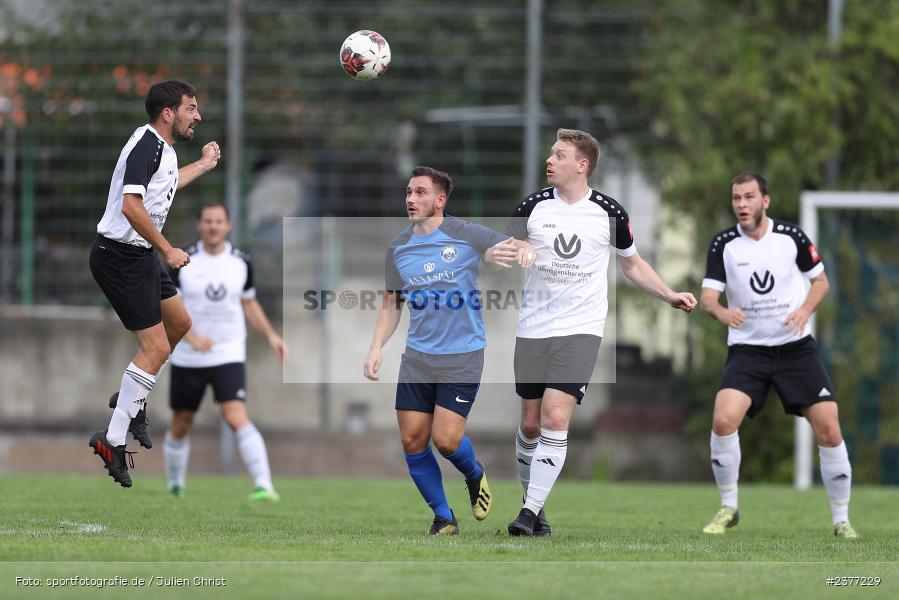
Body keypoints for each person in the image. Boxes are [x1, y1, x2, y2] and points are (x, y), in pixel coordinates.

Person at [505, 129, 696, 536]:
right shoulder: (532, 206)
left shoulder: (610, 212)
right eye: (551, 154)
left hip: (581, 329)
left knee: (557, 417)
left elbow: (632, 264)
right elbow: (502, 249)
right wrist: (514, 250)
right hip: (534, 327)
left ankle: (527, 513)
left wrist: (669, 295)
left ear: (582, 164)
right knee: (531, 425)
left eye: (559, 154)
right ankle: (534, 508)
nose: (550, 160)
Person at [363, 166, 535, 535]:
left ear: (440, 200)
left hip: (463, 354)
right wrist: (376, 346)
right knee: (412, 439)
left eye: (421, 192)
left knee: (445, 440)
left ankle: (474, 475)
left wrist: (522, 250)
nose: (411, 199)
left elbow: (501, 246)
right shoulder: (398, 248)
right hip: (417, 358)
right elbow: (392, 302)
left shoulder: (463, 232)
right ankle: (444, 517)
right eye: (409, 192)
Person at [699, 172, 857, 538]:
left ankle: (841, 519)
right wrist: (722, 313)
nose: (741, 204)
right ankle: (729, 506)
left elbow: (821, 282)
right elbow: (708, 299)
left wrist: (804, 312)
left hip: (795, 350)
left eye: (749, 197)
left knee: (830, 428)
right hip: (748, 352)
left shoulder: (792, 238)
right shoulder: (724, 244)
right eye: (736, 198)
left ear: (765, 201)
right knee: (723, 421)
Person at [88, 80, 220, 487]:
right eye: (191, 108)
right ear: (169, 113)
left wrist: (202, 165)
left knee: (179, 323)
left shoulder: (162, 149)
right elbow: (131, 207)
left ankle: (135, 401)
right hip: (119, 258)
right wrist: (167, 249)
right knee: (157, 347)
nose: (196, 116)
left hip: (139, 257)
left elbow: (164, 186)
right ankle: (111, 439)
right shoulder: (147, 144)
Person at [161, 202, 286, 501]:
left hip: (228, 353)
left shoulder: (241, 261)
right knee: (181, 422)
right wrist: (191, 338)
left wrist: (271, 335)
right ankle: (175, 485)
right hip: (188, 357)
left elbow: (249, 302)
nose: (213, 226)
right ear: (200, 225)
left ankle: (264, 485)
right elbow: (169, 307)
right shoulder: (182, 260)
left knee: (235, 416)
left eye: (219, 221)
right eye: (208, 221)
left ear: (228, 225)